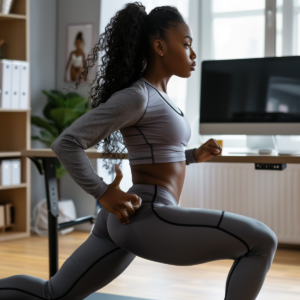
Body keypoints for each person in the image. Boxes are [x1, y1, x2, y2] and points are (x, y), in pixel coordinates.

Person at [0, 2, 278, 300]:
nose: (193, 54)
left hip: (132, 215)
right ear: (159, 46)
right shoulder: (137, 96)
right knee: (261, 240)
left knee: (53, 294)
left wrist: (193, 155)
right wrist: (102, 192)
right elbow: (66, 143)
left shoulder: (159, 96)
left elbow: (159, 155)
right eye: (186, 45)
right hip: (150, 214)